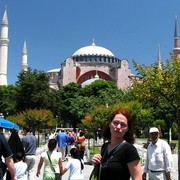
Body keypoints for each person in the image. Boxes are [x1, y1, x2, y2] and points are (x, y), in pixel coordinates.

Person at [91, 108, 142, 180]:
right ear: (110, 124)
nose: (118, 127)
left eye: (123, 125)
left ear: (127, 129)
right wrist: (96, 163)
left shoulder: (129, 149)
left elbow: (137, 178)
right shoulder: (105, 147)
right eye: (116, 123)